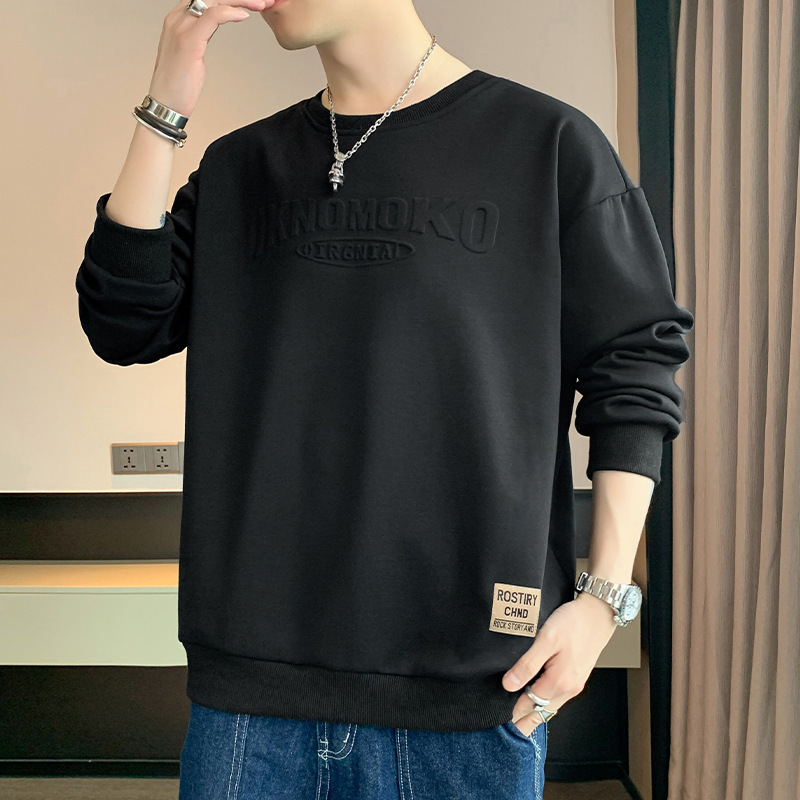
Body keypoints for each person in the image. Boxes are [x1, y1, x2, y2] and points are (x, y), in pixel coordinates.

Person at [75, 1, 695, 798]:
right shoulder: (240, 168)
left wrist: (603, 600)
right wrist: (166, 103)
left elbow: (635, 362)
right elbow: (125, 322)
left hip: (472, 690)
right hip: (251, 696)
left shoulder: (548, 145)